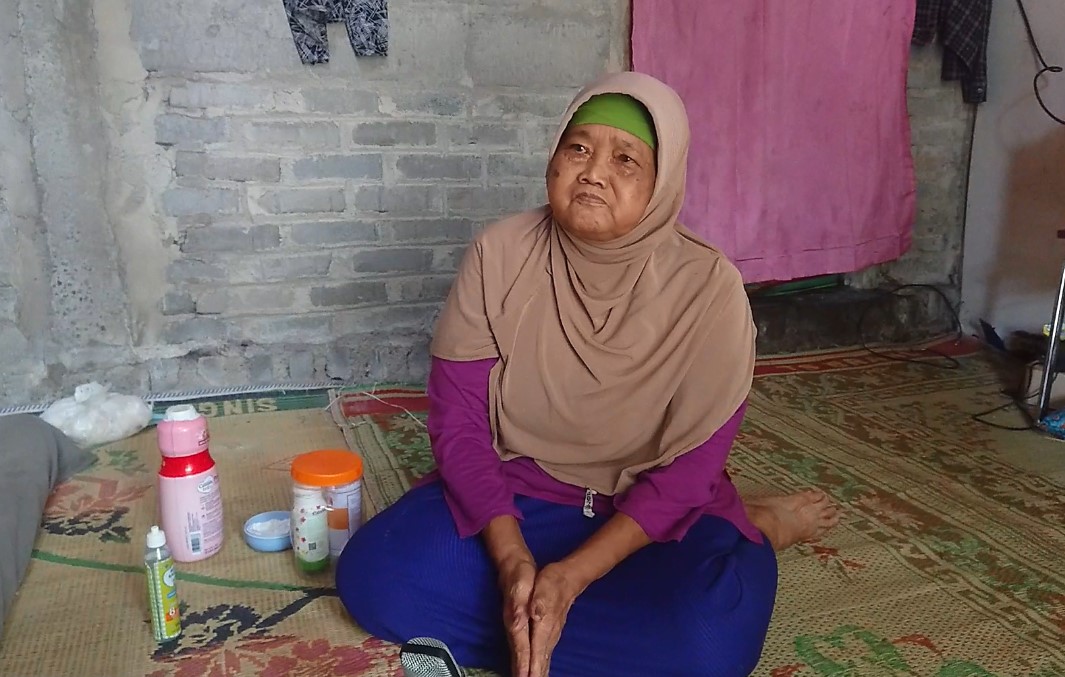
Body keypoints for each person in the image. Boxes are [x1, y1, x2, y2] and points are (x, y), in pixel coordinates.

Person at [336, 71, 839, 677]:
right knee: (375, 578)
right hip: (521, 496)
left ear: (662, 183)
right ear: (553, 159)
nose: (594, 173)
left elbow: (690, 473)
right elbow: (460, 426)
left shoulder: (710, 290)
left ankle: (761, 526)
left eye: (625, 159)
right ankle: (552, 624)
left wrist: (571, 579)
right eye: (578, 148)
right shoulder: (499, 256)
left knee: (707, 644)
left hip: (647, 520)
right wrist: (512, 563)